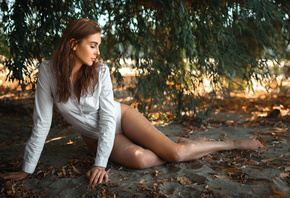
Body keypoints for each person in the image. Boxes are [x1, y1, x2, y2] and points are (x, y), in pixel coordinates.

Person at [0, 18, 265, 185]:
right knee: (140, 159)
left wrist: (100, 164)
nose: (97, 51)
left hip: (121, 117)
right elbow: (42, 122)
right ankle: (177, 146)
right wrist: (27, 168)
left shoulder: (101, 72)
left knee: (175, 154)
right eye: (92, 45)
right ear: (73, 44)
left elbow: (107, 117)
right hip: (94, 136)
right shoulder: (47, 72)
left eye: (98, 45)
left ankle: (228, 144)